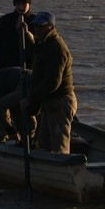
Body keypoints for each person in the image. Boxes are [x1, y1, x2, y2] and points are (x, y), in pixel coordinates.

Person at [21, 10, 76, 154]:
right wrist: (27, 36)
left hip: (60, 101)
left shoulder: (57, 48)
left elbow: (52, 82)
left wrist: (30, 99)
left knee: (59, 146)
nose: (37, 29)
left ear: (51, 27)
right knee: (43, 143)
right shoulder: (43, 43)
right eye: (36, 26)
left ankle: (62, 173)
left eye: (41, 27)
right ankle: (44, 170)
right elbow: (35, 56)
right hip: (49, 102)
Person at [0, 0, 34, 70]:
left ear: (29, 4)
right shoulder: (4, 21)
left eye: (24, 4)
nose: (21, 7)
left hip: (30, 69)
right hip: (7, 68)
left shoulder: (36, 21)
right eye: (18, 4)